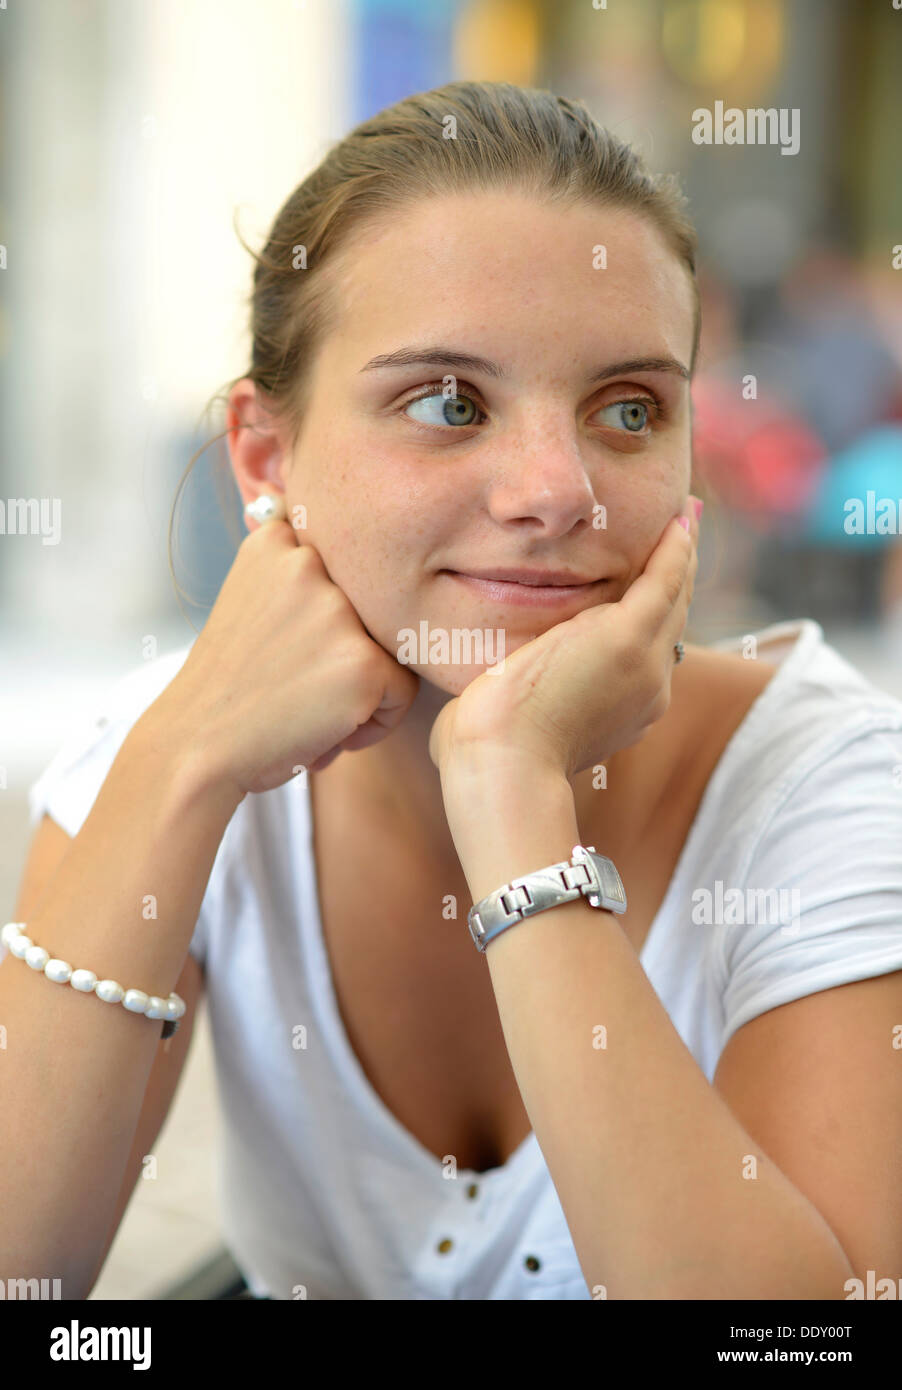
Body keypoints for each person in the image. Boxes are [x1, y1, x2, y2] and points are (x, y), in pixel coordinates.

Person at [3, 81, 902, 1303]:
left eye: (626, 409)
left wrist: (510, 790)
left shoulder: (822, 788)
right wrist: (182, 765)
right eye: (445, 402)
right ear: (266, 458)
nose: (554, 489)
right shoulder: (168, 754)